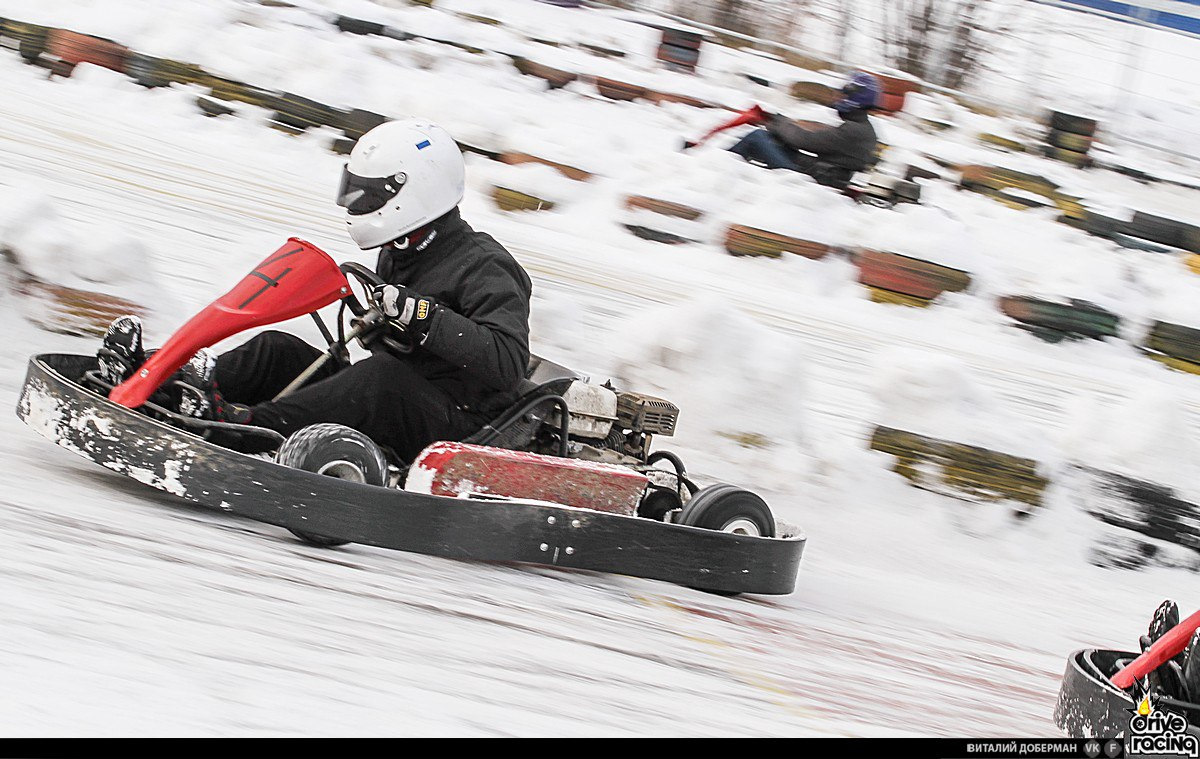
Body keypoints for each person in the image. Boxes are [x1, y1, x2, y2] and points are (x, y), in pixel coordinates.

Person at [98, 119, 533, 462]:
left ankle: (242, 425)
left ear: (414, 192)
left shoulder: (486, 266)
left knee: (378, 379)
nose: (357, 204)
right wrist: (383, 325)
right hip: (400, 396)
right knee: (278, 348)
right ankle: (164, 376)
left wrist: (423, 317)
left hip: (457, 425)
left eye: (370, 195)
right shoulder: (402, 249)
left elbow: (508, 363)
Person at [728, 71, 881, 190]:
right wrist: (780, 123)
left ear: (856, 99)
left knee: (758, 137)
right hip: (821, 174)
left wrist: (777, 122)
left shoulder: (854, 130)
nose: (839, 99)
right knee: (775, 141)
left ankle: (722, 167)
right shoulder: (862, 128)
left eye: (845, 95)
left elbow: (803, 140)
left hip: (813, 180)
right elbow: (820, 139)